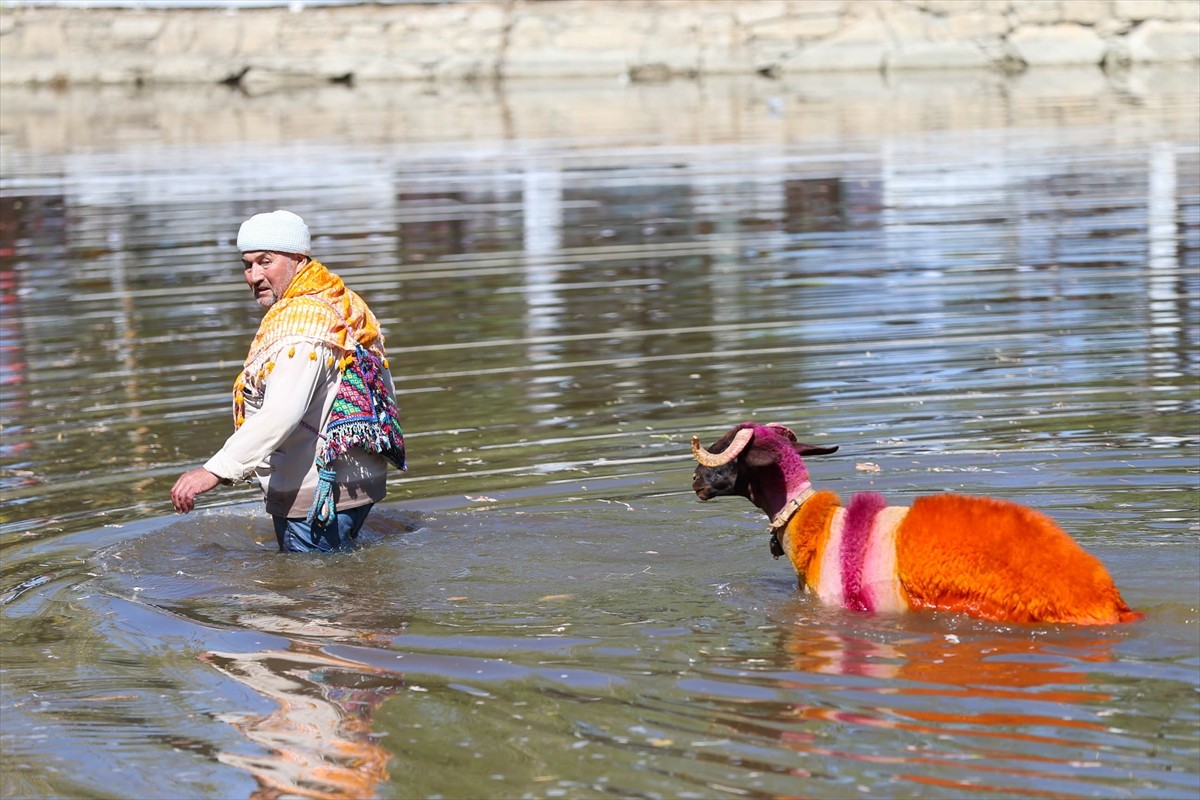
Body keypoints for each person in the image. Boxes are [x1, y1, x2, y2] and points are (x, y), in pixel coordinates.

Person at [170, 210, 405, 552]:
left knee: (306, 600)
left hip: (316, 493)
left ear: (298, 258)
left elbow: (281, 413)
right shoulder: (339, 299)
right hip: (359, 480)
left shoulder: (299, 326)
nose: (254, 276)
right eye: (247, 264)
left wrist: (214, 471)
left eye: (266, 262)